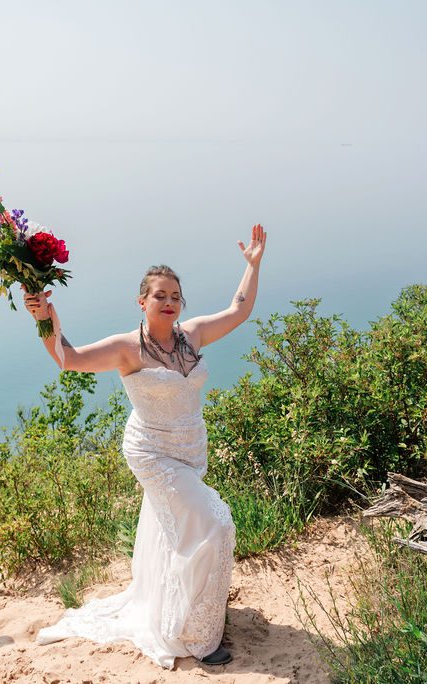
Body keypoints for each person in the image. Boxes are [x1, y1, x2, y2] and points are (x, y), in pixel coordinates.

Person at [26, 223, 267, 669]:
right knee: (216, 523)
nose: (170, 302)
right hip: (152, 454)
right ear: (142, 301)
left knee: (175, 534)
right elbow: (69, 358)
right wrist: (44, 317)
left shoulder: (191, 336)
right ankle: (196, 637)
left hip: (191, 452)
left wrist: (252, 266)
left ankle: (177, 607)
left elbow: (239, 309)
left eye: (176, 295)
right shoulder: (126, 348)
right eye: (160, 295)